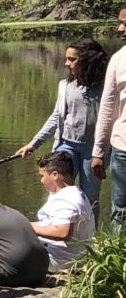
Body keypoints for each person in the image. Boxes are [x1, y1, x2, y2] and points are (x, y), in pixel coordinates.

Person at [16, 38, 104, 201]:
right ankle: (57, 226)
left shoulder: (104, 87)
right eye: (66, 58)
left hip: (93, 150)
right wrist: (34, 144)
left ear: (88, 61)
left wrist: (103, 150)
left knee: (90, 196)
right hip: (66, 145)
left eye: (72, 59)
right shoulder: (65, 85)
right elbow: (56, 117)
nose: (66, 63)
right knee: (58, 192)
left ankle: (88, 226)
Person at [88, 5, 126, 225]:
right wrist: (98, 151)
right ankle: (118, 258)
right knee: (120, 212)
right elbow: (107, 107)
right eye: (120, 23)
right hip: (122, 149)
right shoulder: (118, 59)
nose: (120, 29)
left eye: (124, 24)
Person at [33, 151, 97, 268]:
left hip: (59, 261)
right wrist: (22, 224)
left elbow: (63, 233)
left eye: (42, 176)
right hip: (64, 256)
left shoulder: (66, 200)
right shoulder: (73, 193)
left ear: (54, 175)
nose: (41, 181)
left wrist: (28, 228)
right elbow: (51, 224)